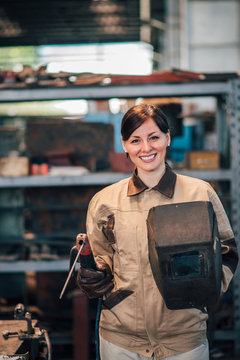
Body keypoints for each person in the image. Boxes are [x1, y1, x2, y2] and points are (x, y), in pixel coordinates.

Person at [77, 104, 238, 360]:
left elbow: (228, 252)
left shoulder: (199, 193)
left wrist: (203, 292)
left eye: (154, 137)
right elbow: (102, 258)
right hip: (121, 339)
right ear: (125, 145)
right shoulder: (105, 201)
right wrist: (92, 276)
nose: (146, 148)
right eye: (135, 140)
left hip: (183, 338)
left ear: (168, 137)